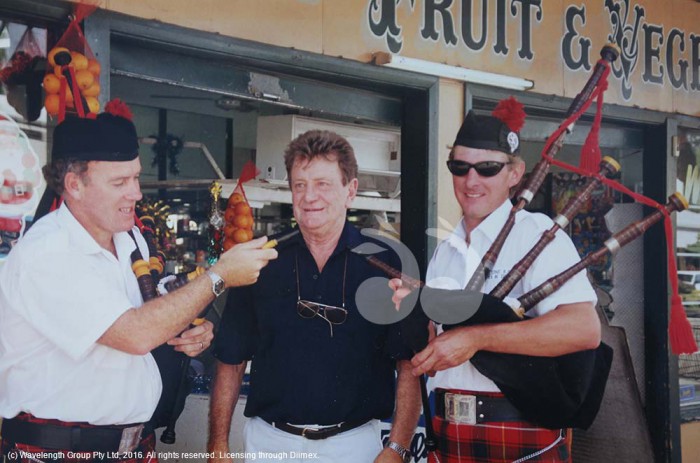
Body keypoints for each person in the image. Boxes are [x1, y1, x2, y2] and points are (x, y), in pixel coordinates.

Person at [0, 101, 277, 462]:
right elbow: (134, 333)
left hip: (131, 447)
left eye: (136, 177)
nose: (136, 193)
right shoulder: (49, 252)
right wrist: (218, 276)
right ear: (74, 185)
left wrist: (189, 329)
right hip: (59, 451)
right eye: (120, 182)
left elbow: (150, 318)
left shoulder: (128, 239)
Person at [391, 98, 600, 462]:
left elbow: (582, 329)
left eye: (487, 168)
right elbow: (436, 346)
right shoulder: (446, 251)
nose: (471, 181)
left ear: (515, 174)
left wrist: (474, 338)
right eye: (459, 167)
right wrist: (416, 310)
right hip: (446, 434)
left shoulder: (539, 236)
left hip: (518, 430)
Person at [208, 130, 421, 463]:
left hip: (355, 446)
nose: (309, 197)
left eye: (323, 184)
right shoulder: (260, 260)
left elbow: (409, 364)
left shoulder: (386, 263)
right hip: (270, 444)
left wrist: (396, 448)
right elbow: (231, 361)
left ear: (350, 190)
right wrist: (218, 445)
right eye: (300, 185)